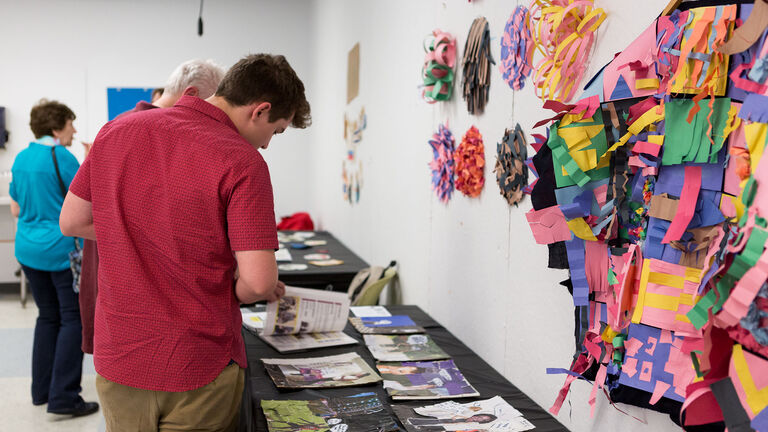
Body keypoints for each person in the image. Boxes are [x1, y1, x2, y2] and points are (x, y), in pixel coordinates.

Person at [60, 53, 311, 431]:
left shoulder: (116, 130)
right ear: (260, 111)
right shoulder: (243, 162)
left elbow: (73, 221)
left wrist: (139, 234)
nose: (267, 145)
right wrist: (236, 288)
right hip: (198, 361)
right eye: (276, 132)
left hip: (121, 356)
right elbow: (258, 283)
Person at [78, 58, 225, 356]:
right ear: (193, 95)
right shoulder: (134, 132)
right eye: (212, 106)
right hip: (133, 291)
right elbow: (75, 221)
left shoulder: (123, 128)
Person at [9, 99, 98, 417]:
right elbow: (87, 201)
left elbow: (16, 208)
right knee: (72, 318)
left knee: (47, 317)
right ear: (57, 127)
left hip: (28, 251)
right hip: (60, 252)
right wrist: (90, 161)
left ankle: (41, 391)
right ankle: (64, 396)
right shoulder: (61, 155)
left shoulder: (21, 157)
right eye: (71, 123)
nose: (74, 130)